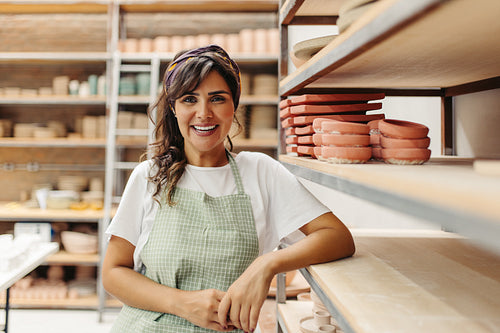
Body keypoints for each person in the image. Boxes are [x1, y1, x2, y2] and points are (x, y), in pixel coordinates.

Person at [102, 44, 355, 333]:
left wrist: (267, 265)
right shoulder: (149, 176)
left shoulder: (261, 172)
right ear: (173, 108)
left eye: (217, 99)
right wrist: (180, 303)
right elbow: (113, 273)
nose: (203, 113)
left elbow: (338, 237)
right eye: (189, 99)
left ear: (233, 105)